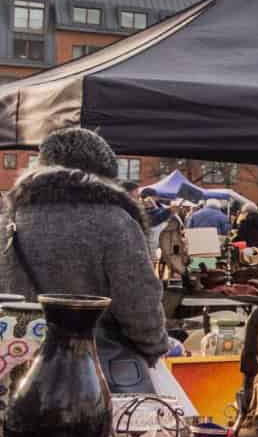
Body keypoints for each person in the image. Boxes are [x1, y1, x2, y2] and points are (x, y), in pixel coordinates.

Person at [0, 127, 168, 392]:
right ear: (107, 173)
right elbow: (139, 302)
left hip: (18, 366)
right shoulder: (116, 221)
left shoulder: (12, 220)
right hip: (96, 372)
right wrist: (155, 346)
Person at [233, 202, 258, 268]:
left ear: (246, 212)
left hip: (251, 252)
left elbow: (240, 237)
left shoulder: (246, 221)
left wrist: (232, 241)